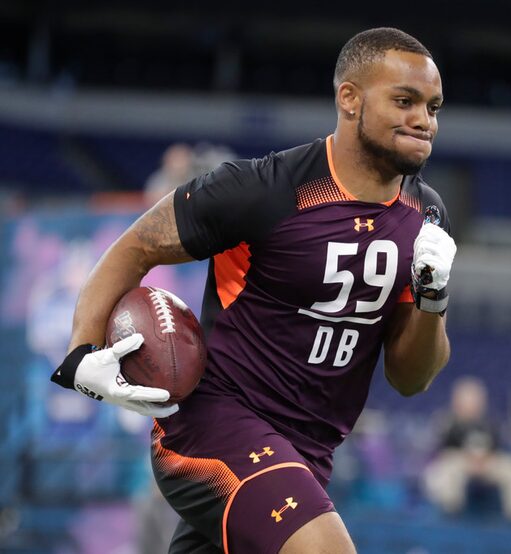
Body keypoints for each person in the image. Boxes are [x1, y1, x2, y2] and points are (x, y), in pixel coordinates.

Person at [51, 27, 456, 554]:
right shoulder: (265, 188)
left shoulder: (426, 216)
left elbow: (411, 377)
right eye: (405, 101)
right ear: (349, 99)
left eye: (433, 106)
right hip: (213, 428)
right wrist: (80, 354)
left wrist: (433, 296)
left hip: (308, 454)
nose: (423, 120)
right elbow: (136, 247)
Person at [423, 376, 511, 522]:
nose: (472, 405)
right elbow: (440, 450)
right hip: (459, 462)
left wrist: (485, 459)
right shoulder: (447, 422)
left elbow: (499, 447)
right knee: (447, 470)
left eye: (475, 401)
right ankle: (451, 511)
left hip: (487, 463)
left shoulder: (489, 422)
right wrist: (468, 458)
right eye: (468, 401)